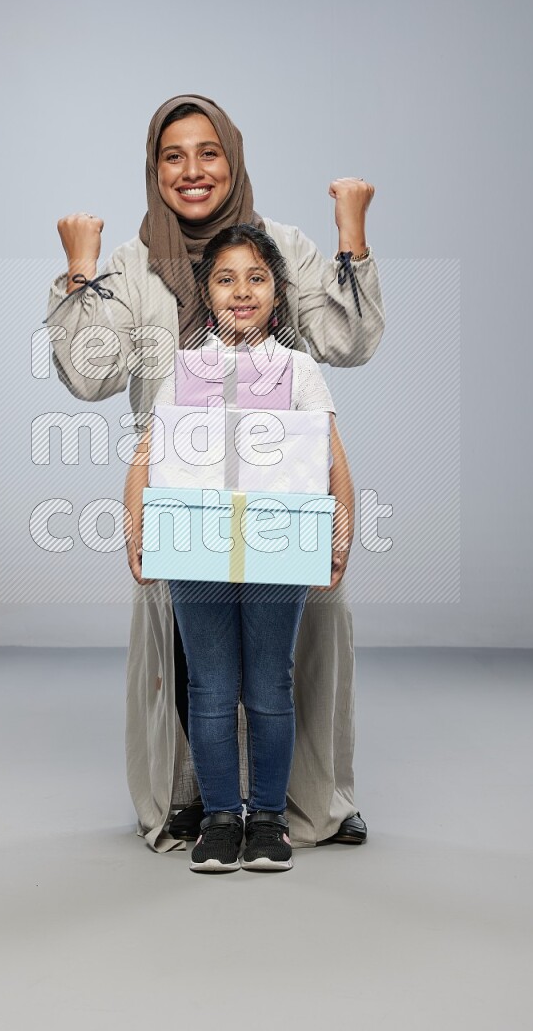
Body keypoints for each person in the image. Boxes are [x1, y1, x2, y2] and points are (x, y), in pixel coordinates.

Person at [43, 93, 385, 852]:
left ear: (233, 159)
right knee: (189, 657)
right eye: (173, 155)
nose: (192, 170)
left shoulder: (280, 248)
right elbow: (90, 376)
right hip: (180, 490)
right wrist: (79, 271)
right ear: (153, 169)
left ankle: (310, 799)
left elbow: (349, 343)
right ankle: (196, 802)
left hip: (285, 488)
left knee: (306, 640)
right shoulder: (133, 266)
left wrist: (351, 237)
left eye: (208, 152)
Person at [123, 224, 356, 873]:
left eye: (256, 278)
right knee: (210, 686)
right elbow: (147, 453)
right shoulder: (183, 369)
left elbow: (334, 459)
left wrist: (340, 537)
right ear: (207, 294)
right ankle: (222, 818)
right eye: (226, 279)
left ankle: (270, 822)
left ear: (275, 294)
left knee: (270, 685)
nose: (241, 291)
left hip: (277, 545)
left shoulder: (299, 370)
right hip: (196, 545)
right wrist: (136, 528)